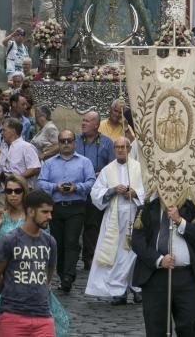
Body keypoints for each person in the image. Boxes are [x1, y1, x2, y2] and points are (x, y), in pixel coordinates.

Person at [131, 196, 195, 337]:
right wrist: (159, 260)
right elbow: (137, 242)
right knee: (157, 328)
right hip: (155, 278)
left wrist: (180, 221)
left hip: (187, 278)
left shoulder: (191, 208)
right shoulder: (147, 209)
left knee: (191, 326)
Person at [0, 189, 57, 337]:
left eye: (50, 212)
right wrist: (12, 292)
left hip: (43, 316)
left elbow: (48, 273)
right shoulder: (9, 240)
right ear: (31, 212)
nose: (49, 216)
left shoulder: (50, 242)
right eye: (44, 212)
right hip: (12, 316)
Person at [85, 137, 144, 304]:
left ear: (129, 149)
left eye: (123, 147)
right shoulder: (107, 170)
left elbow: (150, 190)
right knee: (117, 254)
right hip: (114, 217)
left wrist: (135, 193)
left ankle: (136, 287)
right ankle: (118, 291)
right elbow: (95, 192)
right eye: (117, 147)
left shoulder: (139, 168)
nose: (120, 150)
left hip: (135, 216)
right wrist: (112, 191)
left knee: (134, 253)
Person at [37, 130, 95, 293]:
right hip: (55, 207)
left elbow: (91, 181)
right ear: (59, 143)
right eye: (63, 141)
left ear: (74, 142)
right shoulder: (49, 163)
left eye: (69, 140)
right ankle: (63, 275)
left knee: (71, 241)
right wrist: (56, 186)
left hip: (76, 205)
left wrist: (77, 187)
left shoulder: (84, 162)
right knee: (58, 243)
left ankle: (69, 275)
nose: (66, 144)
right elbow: (41, 182)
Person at [75, 110, 115, 270]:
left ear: (97, 125)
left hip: (96, 191)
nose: (83, 123)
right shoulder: (75, 140)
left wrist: (101, 173)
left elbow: (112, 166)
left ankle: (89, 257)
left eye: (87, 121)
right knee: (75, 225)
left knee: (92, 226)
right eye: (83, 120)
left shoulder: (106, 143)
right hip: (76, 190)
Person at [0, 174, 28, 305]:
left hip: (26, 273)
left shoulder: (32, 217)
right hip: (2, 273)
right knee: (5, 315)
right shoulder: (1, 216)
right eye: (9, 191)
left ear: (24, 192)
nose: (13, 194)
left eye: (17, 191)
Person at [0, 118, 40, 190]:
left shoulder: (26, 147)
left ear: (13, 131)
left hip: (22, 191)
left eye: (4, 130)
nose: (2, 133)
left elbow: (35, 168)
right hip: (3, 191)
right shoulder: (4, 149)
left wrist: (16, 179)